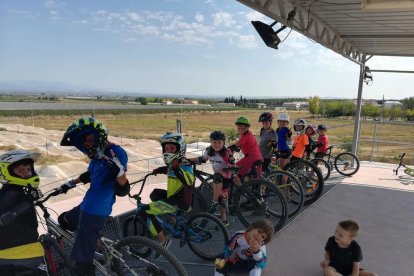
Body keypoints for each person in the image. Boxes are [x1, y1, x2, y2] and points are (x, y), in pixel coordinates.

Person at [58, 117, 129, 276]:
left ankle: (87, 261)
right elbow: (89, 174)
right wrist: (69, 184)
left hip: (97, 209)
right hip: (87, 204)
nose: (88, 144)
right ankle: (94, 241)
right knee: (64, 220)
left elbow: (122, 186)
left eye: (91, 139)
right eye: (84, 143)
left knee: (83, 262)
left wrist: (121, 174)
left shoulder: (116, 153)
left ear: (101, 135)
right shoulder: (98, 157)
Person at [0, 150, 48, 276]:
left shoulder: (8, 192)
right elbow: (9, 213)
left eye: (28, 169)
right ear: (6, 173)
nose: (27, 174)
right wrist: (29, 199)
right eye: (21, 171)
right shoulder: (13, 194)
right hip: (25, 255)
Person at [143, 132, 195, 247]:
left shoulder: (184, 164)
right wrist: (159, 170)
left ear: (180, 149)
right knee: (155, 194)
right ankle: (173, 221)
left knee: (147, 211)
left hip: (179, 202)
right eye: (166, 148)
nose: (168, 151)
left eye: (172, 148)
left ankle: (163, 241)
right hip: (174, 197)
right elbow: (169, 169)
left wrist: (178, 170)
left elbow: (189, 181)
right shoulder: (173, 163)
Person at [189, 130, 235, 226]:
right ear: (211, 142)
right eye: (214, 142)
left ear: (223, 143)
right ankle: (224, 219)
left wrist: (222, 171)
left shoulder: (227, 153)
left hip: (226, 176)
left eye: (219, 142)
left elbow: (233, 168)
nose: (217, 145)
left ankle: (214, 203)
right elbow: (202, 159)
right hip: (217, 176)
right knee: (220, 195)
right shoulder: (209, 150)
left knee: (218, 191)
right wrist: (188, 160)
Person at [228, 117, 263, 184]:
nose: (240, 129)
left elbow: (235, 145)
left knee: (233, 169)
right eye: (239, 128)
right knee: (258, 177)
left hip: (251, 157)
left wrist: (225, 150)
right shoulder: (247, 134)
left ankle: (240, 190)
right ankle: (249, 187)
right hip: (256, 156)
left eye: (242, 128)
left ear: (247, 127)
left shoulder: (246, 136)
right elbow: (242, 145)